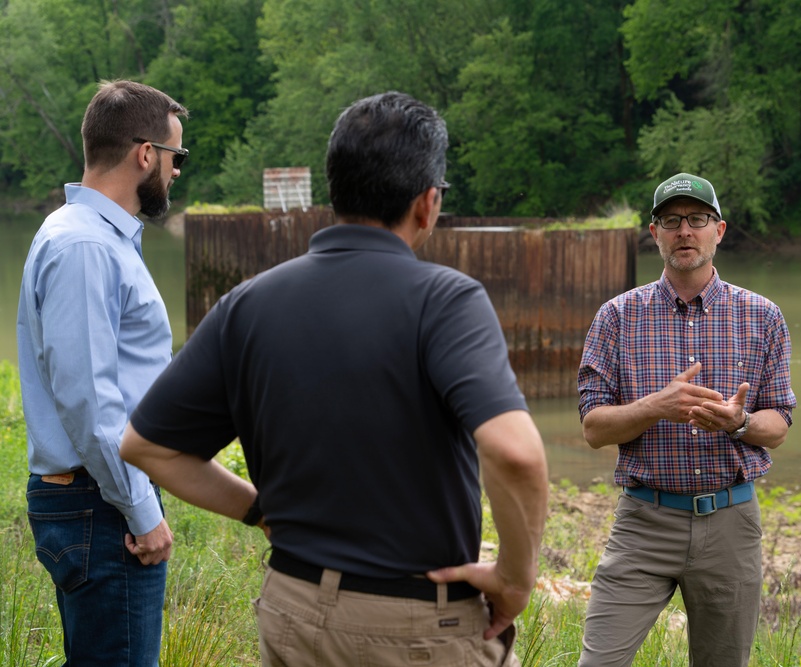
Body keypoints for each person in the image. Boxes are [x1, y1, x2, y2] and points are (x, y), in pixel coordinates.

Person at [118, 91, 549, 667]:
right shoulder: (446, 300)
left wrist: (257, 510)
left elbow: (147, 445)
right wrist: (515, 579)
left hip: (292, 610)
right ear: (428, 204)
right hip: (417, 624)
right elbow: (516, 455)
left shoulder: (248, 305)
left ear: (335, 190)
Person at [576, 172, 797, 666]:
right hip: (643, 523)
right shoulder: (616, 316)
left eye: (697, 219)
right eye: (671, 221)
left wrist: (737, 424)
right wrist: (658, 405)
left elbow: (778, 425)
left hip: (730, 524)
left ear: (719, 230)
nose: (684, 232)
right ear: (654, 233)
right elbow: (593, 429)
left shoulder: (763, 316)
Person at [17, 80, 189, 665]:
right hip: (103, 504)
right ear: (146, 154)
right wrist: (142, 512)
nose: (177, 173)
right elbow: (89, 400)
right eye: (176, 158)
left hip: (99, 496)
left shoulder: (89, 238)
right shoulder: (85, 247)